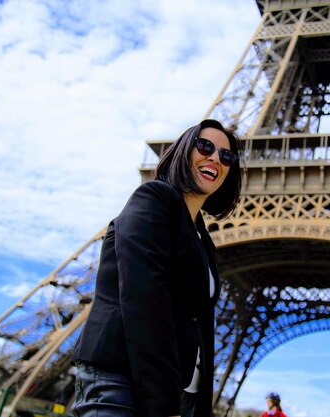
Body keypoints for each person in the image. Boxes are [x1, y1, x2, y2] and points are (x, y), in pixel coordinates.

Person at [70, 119, 242, 417]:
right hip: (121, 380)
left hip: (179, 393)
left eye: (226, 156)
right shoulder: (152, 199)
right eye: (205, 146)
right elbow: (144, 300)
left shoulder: (203, 239)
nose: (216, 157)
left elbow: (200, 329)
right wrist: (163, 405)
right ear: (183, 152)